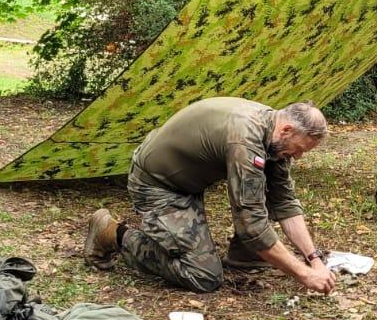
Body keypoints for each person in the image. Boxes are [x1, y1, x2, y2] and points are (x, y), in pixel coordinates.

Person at [84, 98, 337, 295]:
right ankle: (112, 234)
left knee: (264, 188)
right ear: (287, 129)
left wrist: (313, 259)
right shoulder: (245, 139)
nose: (298, 157)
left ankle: (244, 256)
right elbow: (250, 224)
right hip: (157, 184)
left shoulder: (274, 133)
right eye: (299, 149)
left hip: (186, 179)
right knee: (203, 276)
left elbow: (283, 201)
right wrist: (304, 274)